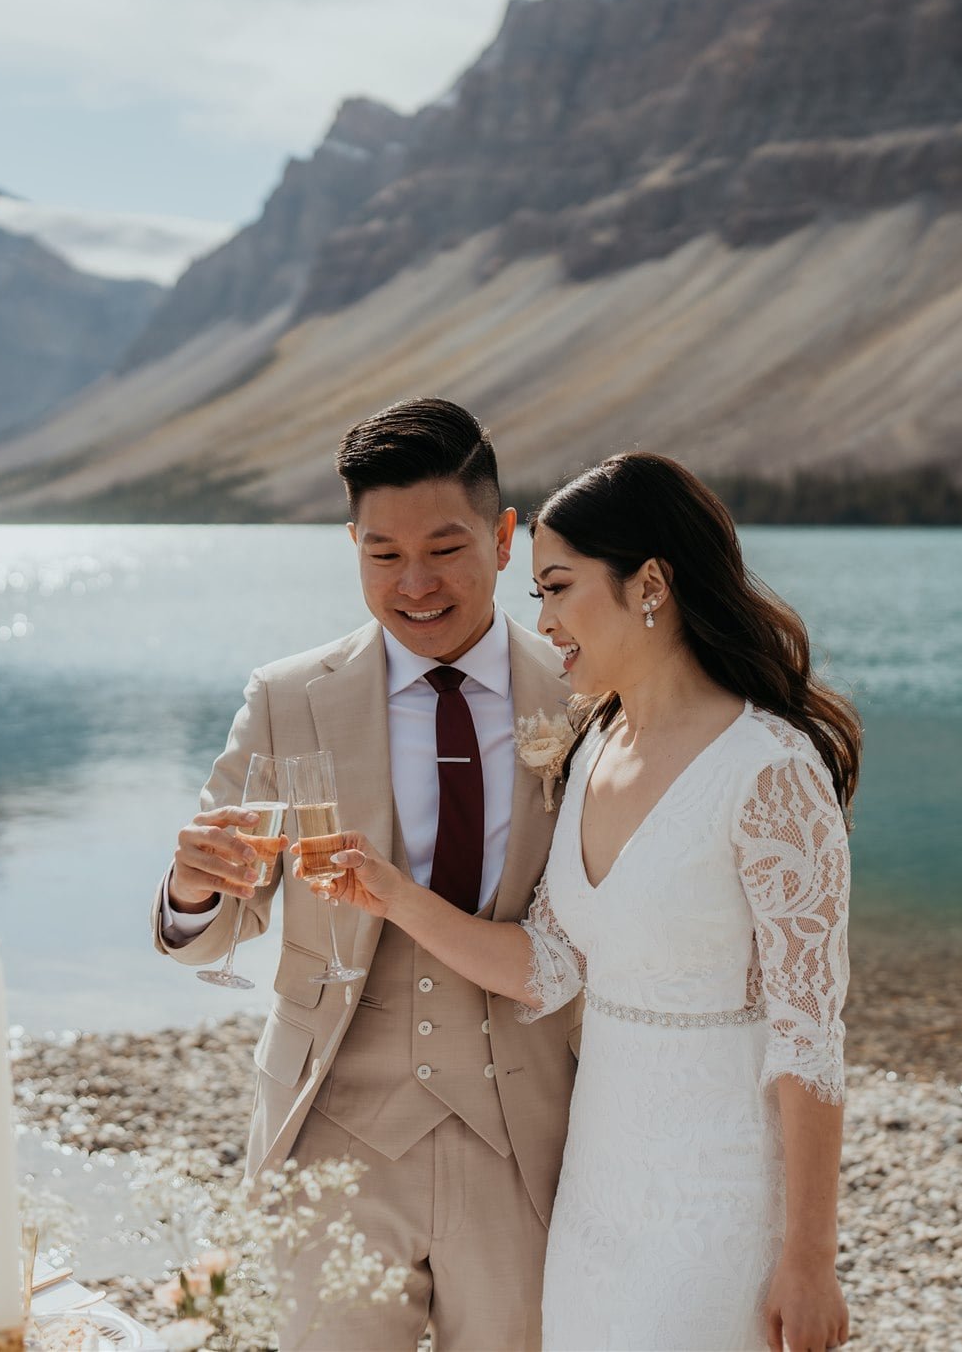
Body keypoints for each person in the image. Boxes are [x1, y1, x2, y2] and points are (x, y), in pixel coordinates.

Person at [304, 452, 861, 1352]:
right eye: (538, 594)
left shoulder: (771, 771)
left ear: (649, 585)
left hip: (715, 1208)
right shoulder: (595, 742)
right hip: (594, 1195)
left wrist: (810, 1256)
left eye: (558, 589)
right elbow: (548, 964)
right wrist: (394, 895)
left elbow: (811, 1039)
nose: (545, 621)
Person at [150, 399, 580, 1350]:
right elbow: (218, 923)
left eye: (445, 548)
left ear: (506, 538)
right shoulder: (286, 698)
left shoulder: (585, 694)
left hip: (528, 1130)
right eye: (382, 554)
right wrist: (193, 889)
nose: (415, 583)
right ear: (351, 544)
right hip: (332, 1127)